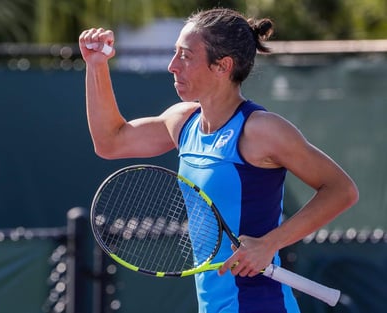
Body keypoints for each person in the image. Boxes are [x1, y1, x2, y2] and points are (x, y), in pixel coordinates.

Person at [79, 7, 358, 313]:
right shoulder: (182, 121)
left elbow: (341, 190)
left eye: (185, 56)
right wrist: (96, 66)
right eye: (175, 53)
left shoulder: (262, 130)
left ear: (222, 66)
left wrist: (269, 244)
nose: (173, 66)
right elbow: (110, 142)